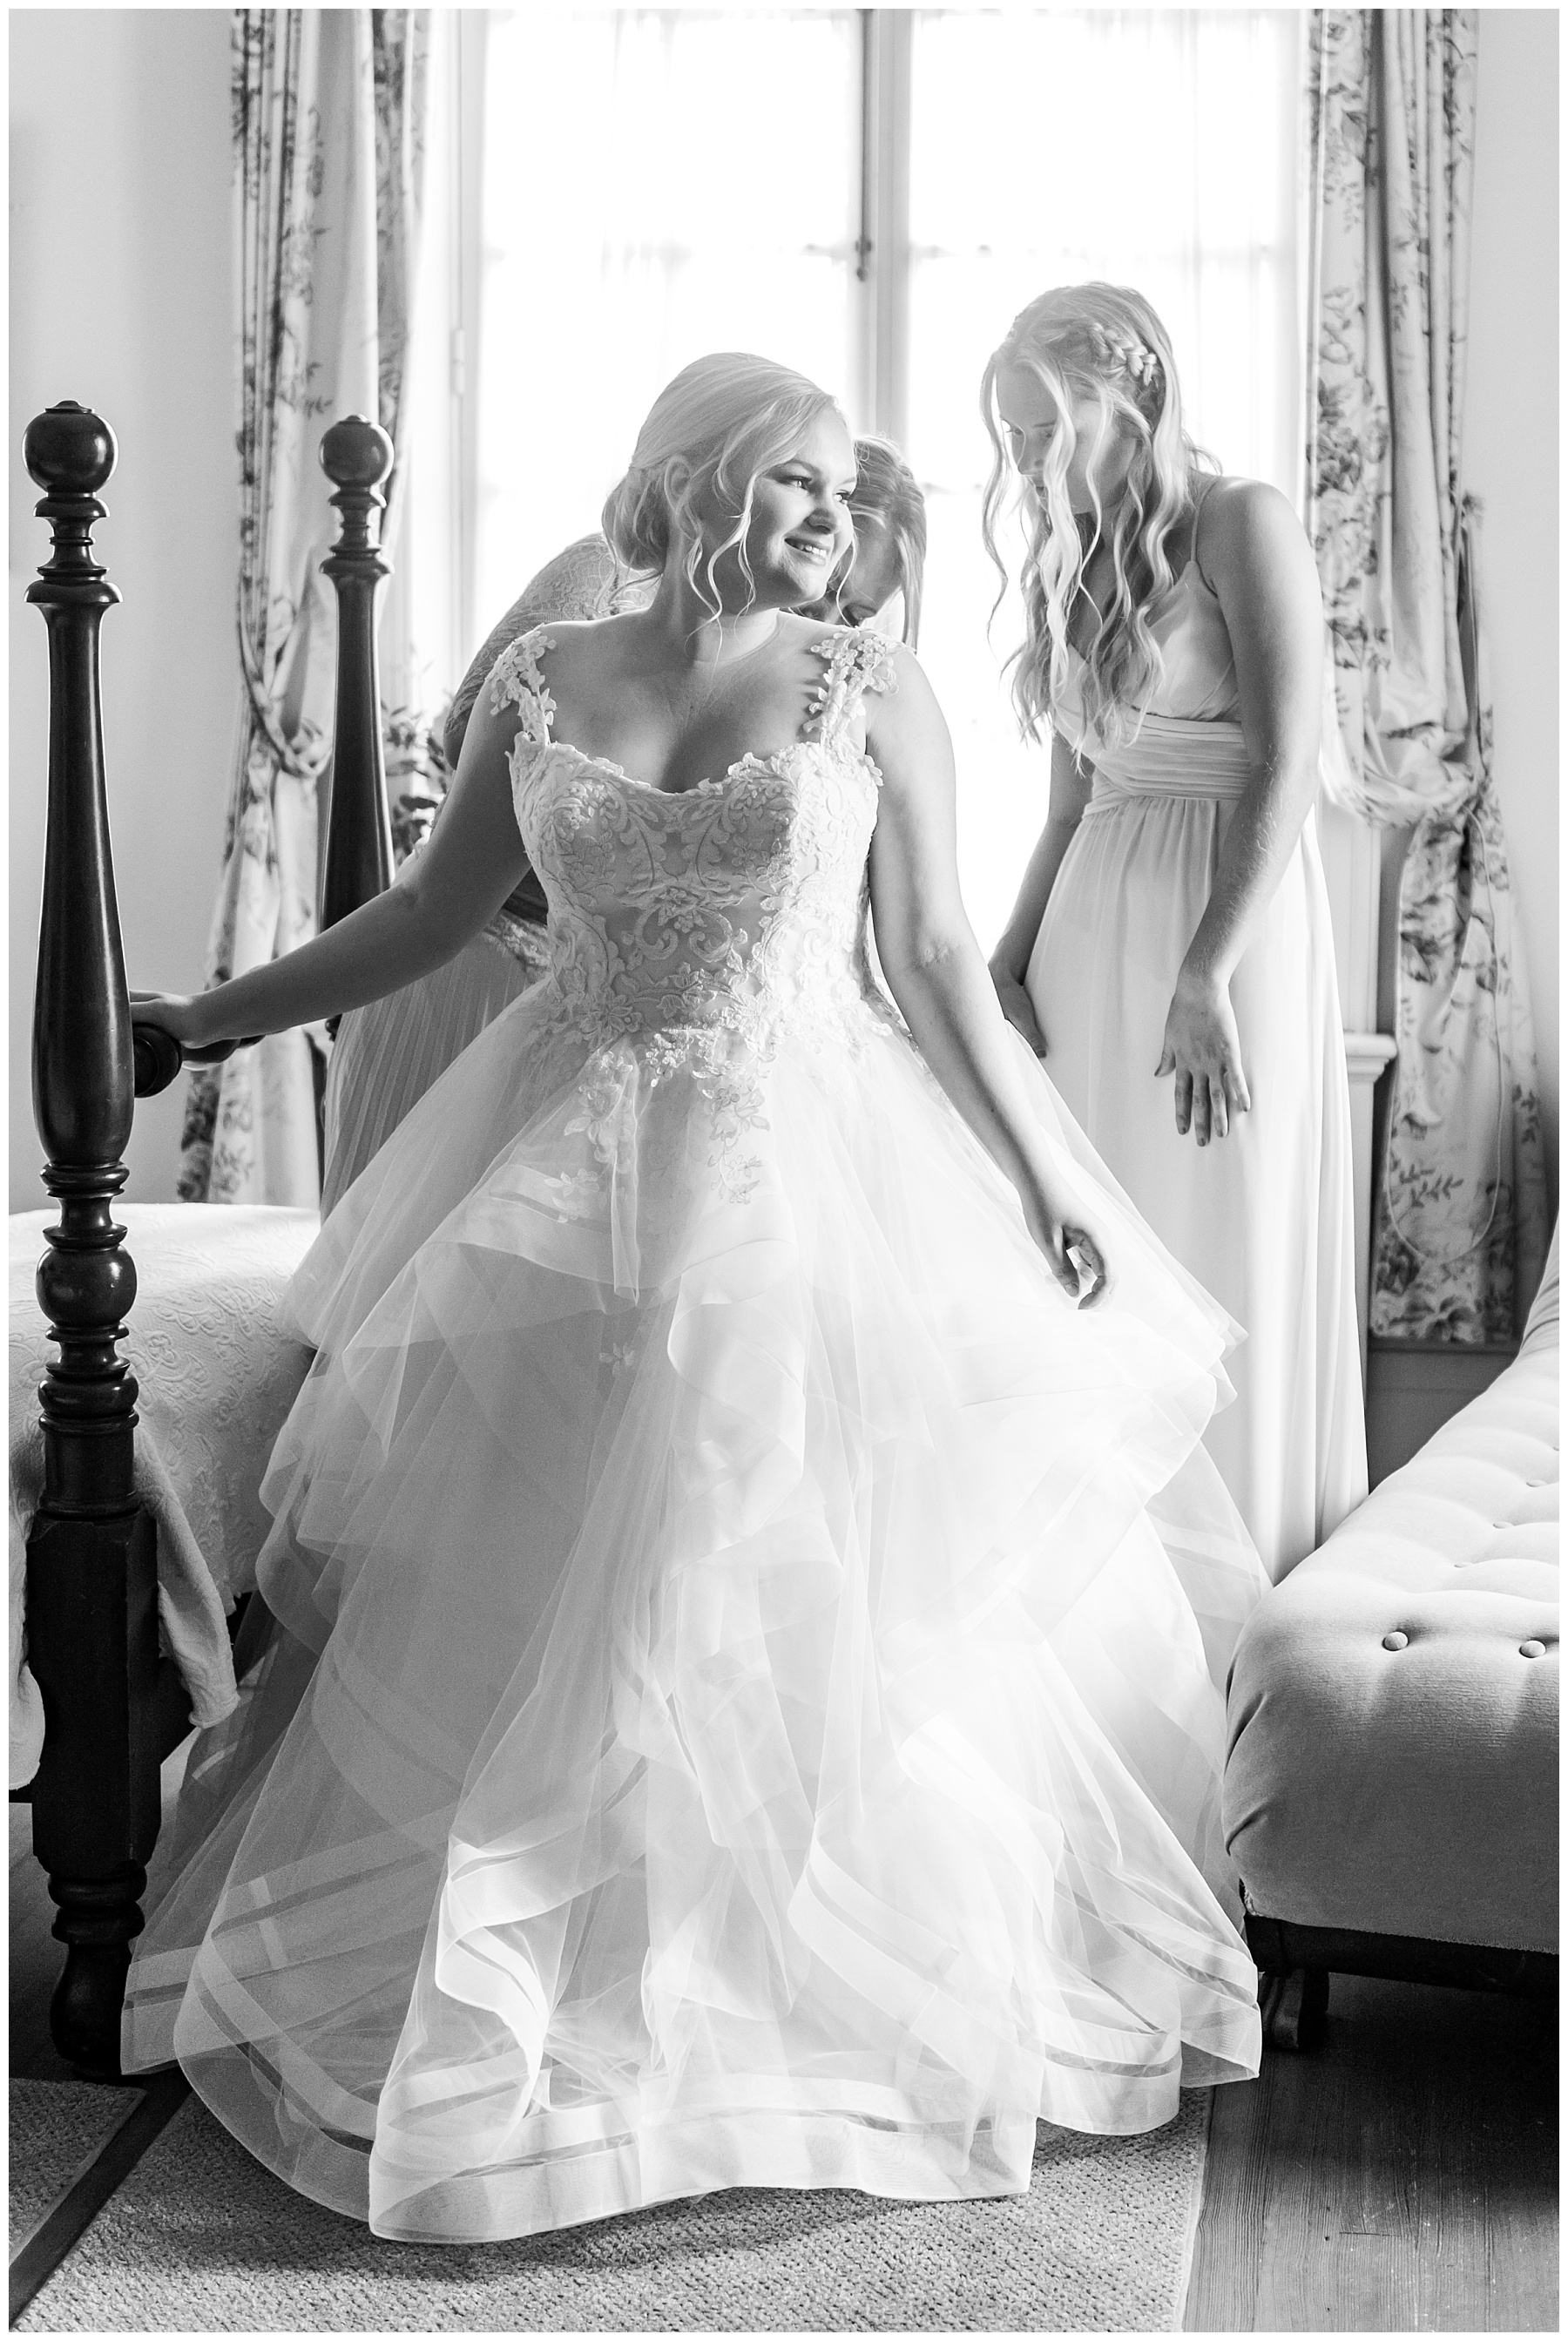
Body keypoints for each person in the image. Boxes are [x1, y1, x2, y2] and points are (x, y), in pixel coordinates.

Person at [128, 351, 1267, 2245]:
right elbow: (424, 919)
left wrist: (1051, 1180)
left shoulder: (865, 686)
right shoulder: (545, 677)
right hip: (565, 1181)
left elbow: (935, 958)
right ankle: (567, 1970)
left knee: (758, 1578)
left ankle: (762, 1988)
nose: (838, 515)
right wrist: (204, 1015)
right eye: (799, 479)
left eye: (844, 489)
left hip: (801, 1172)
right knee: (549, 1586)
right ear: (696, 478)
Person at [982, 285, 1367, 1582]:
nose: (1026, 458)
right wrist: (1007, 964)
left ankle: (1239, 1596)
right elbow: (1069, 804)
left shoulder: (1242, 520)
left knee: (1220, 1243)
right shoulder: (1074, 552)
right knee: (1098, 1257)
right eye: (1012, 432)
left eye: (1046, 426)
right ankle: (1109, 1613)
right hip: (1092, 927)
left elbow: (1288, 761)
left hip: (1225, 930)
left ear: (1132, 395)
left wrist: (1208, 969)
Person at [320, 438, 929, 1214]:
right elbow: (471, 726)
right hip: (484, 966)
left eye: (858, 612)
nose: (827, 620)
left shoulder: (854, 690)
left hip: (656, 1040)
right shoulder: (610, 574)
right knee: (400, 1262)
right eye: (825, 597)